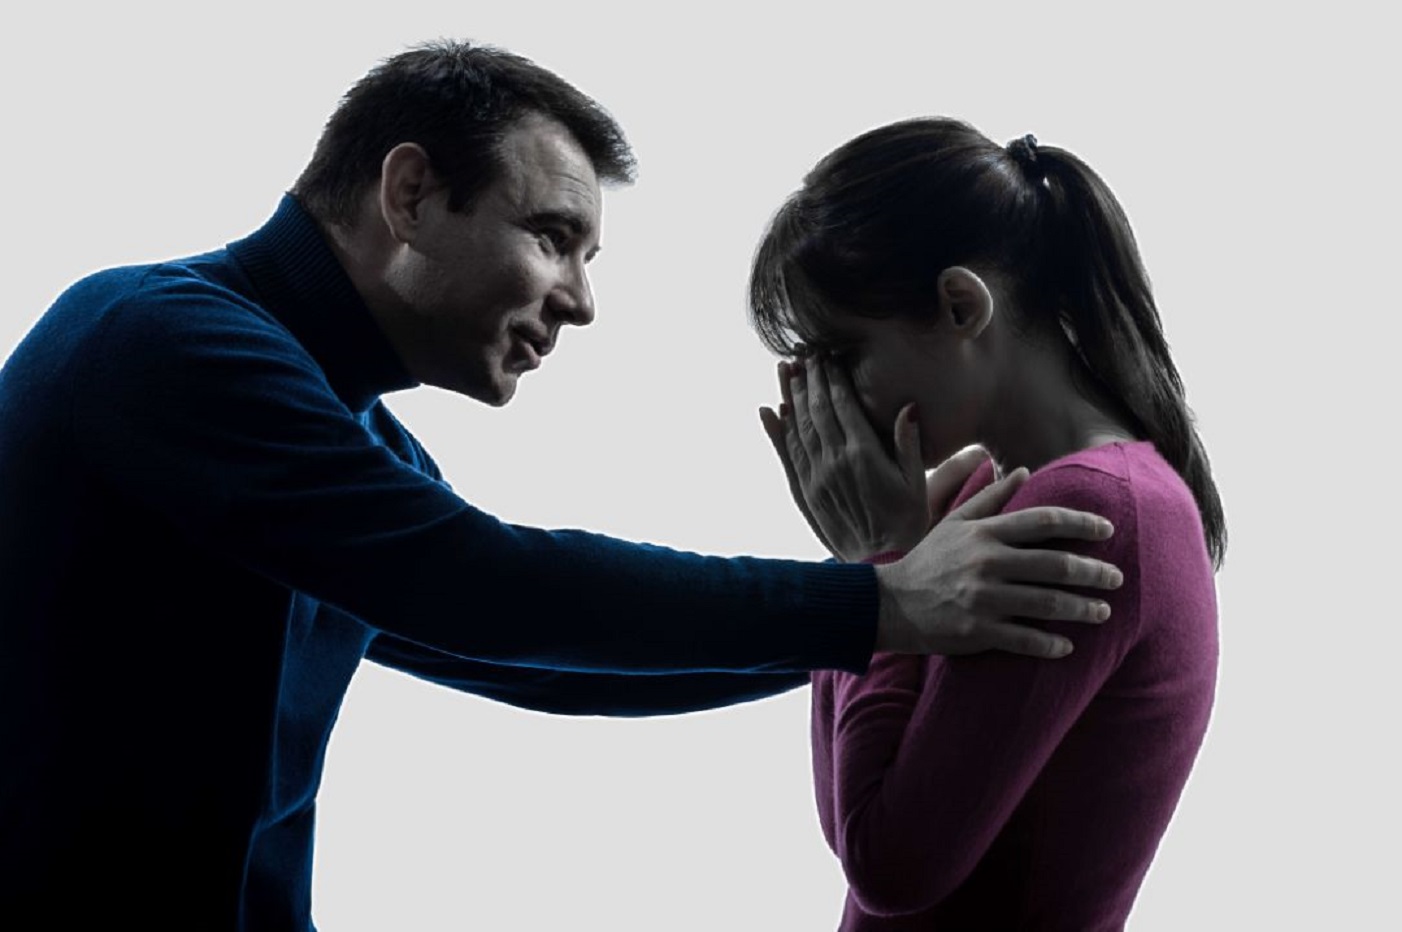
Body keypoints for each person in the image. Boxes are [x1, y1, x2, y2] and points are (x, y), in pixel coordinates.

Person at [0, 44, 1124, 929]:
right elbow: (485, 584)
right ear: (409, 193)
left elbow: (524, 649)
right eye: (554, 236)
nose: (580, 300)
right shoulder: (160, 338)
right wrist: (884, 604)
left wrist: (876, 612)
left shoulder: (340, 431)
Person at [754, 120, 1223, 929]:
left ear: (960, 304)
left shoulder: (1091, 510)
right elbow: (849, 821)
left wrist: (876, 569)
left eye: (843, 352)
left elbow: (886, 861)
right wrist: (875, 579)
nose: (823, 395)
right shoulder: (993, 493)